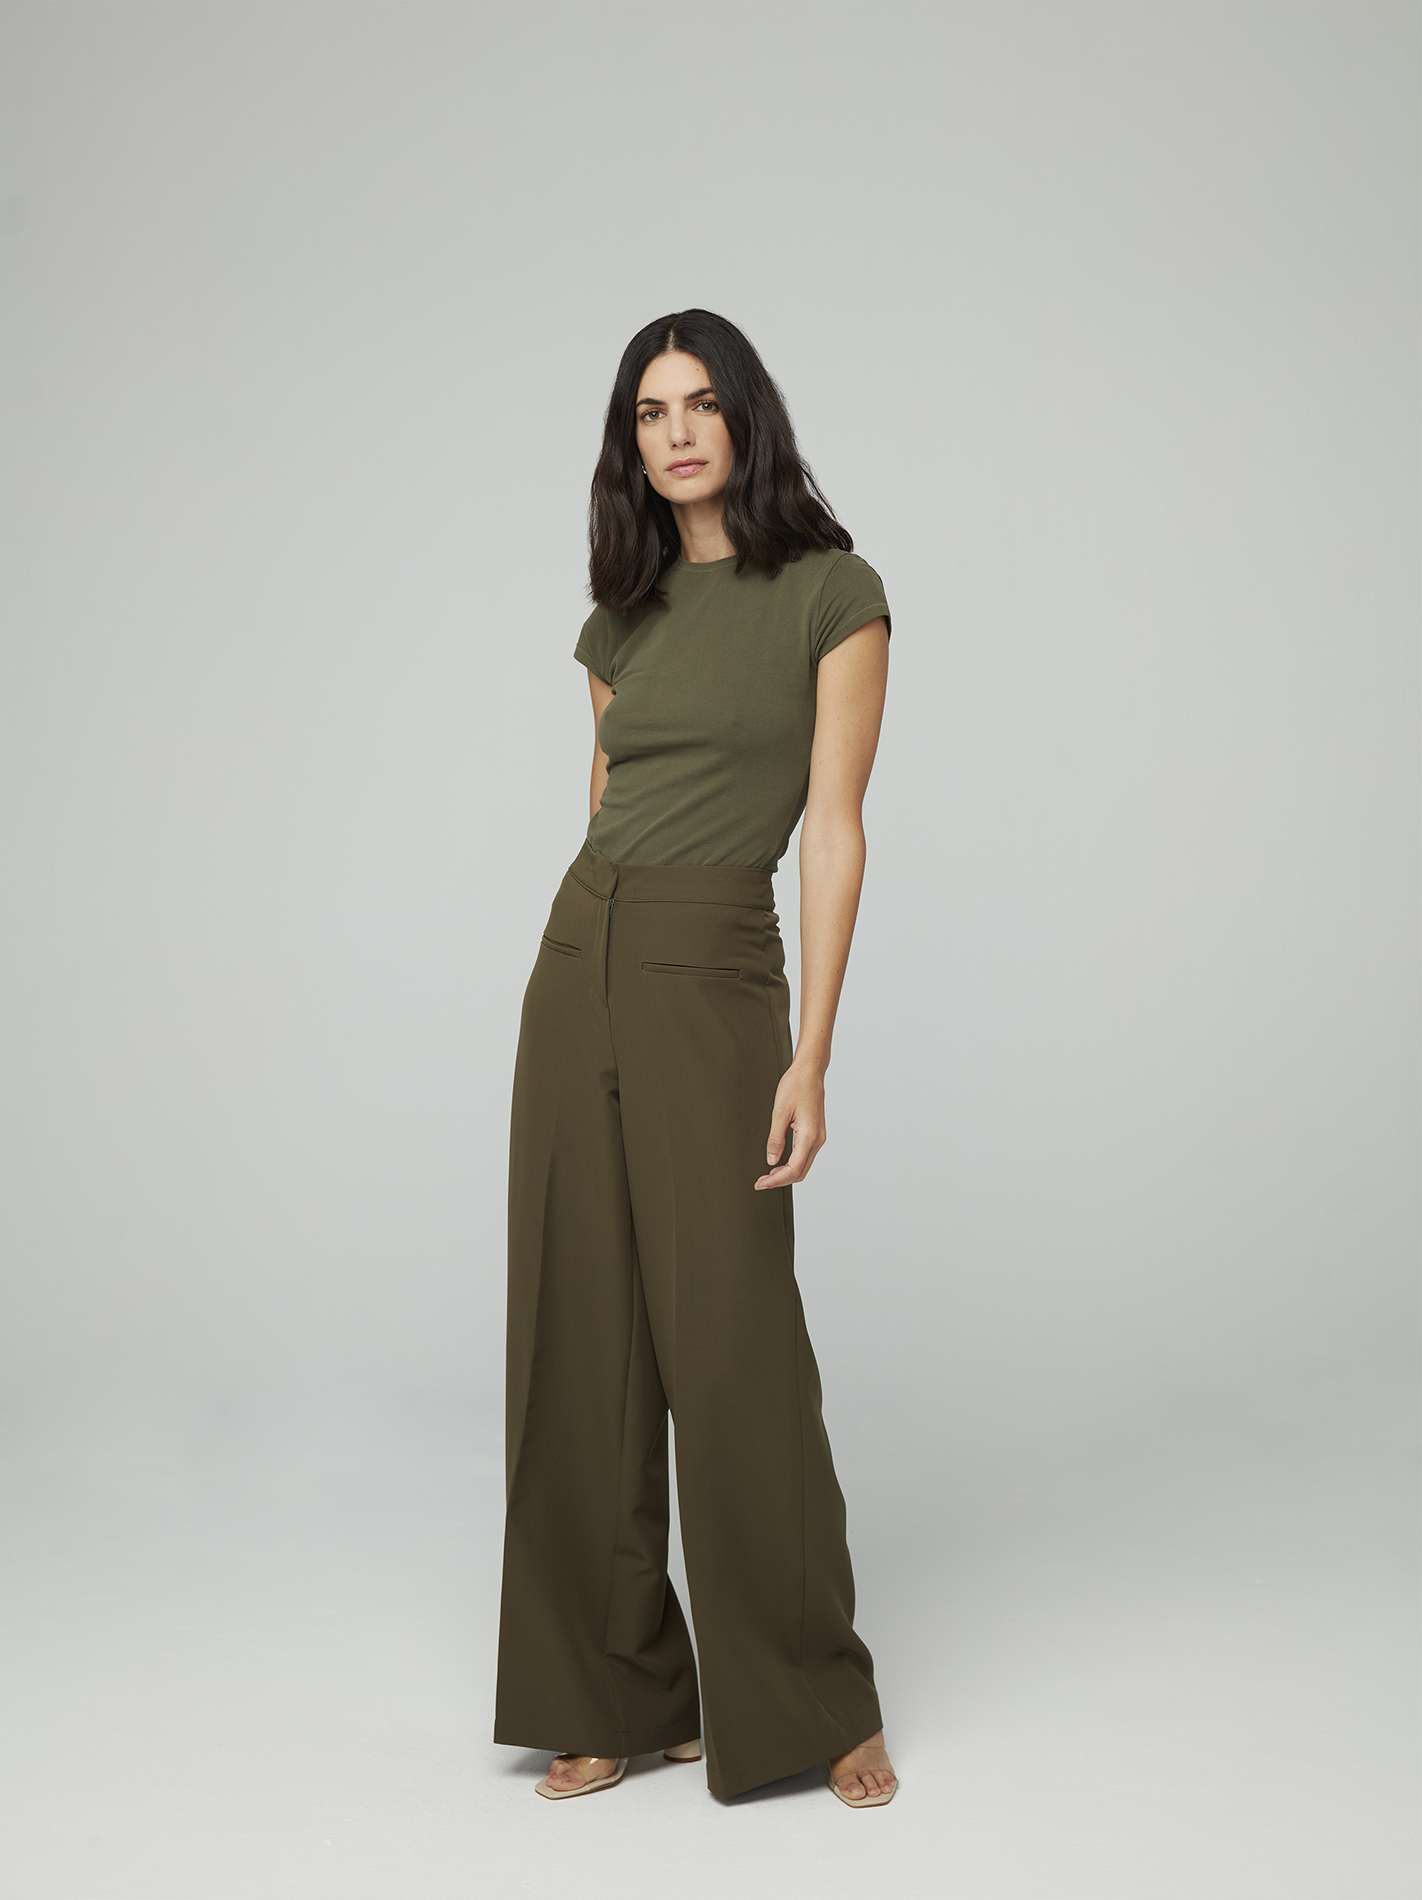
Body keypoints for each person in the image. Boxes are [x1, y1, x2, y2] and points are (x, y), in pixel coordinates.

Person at [493, 308, 898, 1809]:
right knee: (577, 1331)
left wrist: (811, 1053)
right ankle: (612, 1688)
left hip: (714, 961)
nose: (675, 433)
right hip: (580, 958)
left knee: (732, 1338)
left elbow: (835, 830)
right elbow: (604, 806)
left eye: (700, 404)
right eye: (650, 412)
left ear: (745, 420)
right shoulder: (622, 618)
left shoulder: (833, 595)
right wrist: (587, 970)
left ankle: (810, 1697)